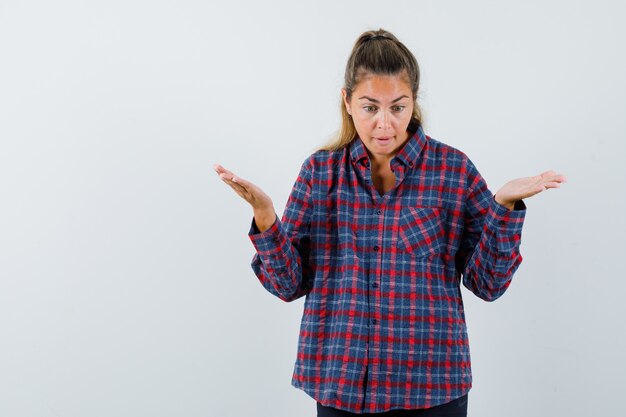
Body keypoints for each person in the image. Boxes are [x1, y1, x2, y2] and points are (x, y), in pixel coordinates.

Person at [214, 29, 566, 416]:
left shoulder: (454, 171)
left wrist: (505, 205)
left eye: (397, 107)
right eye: (370, 107)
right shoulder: (319, 173)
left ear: (413, 103)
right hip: (341, 388)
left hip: (432, 390)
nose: (384, 124)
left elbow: (488, 285)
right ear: (347, 102)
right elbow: (288, 285)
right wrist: (265, 218)